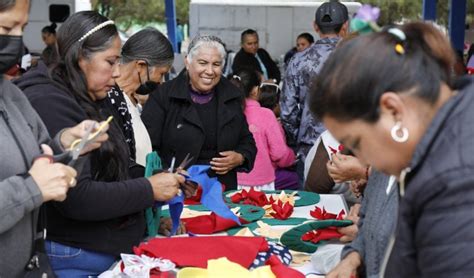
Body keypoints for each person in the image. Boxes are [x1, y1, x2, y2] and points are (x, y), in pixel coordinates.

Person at [16, 11, 187, 276]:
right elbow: (77, 198)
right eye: (111, 61)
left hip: (96, 246)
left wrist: (155, 180)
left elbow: (111, 167)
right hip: (74, 251)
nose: (118, 71)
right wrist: (147, 189)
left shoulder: (86, 95)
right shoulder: (50, 101)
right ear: (81, 57)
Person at [309, 22, 474, 276]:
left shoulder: (455, 179)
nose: (361, 158)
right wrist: (355, 257)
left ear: (394, 111)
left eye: (358, 143)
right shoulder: (434, 145)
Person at [0, 1, 107, 276]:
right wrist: (31, 188)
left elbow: (40, 155)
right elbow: (34, 182)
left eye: (21, 28)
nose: (15, 40)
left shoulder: (11, 95)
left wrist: (68, 145)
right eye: (5, 27)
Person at [142, 35, 257, 191]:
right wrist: (168, 175)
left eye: (216, 64)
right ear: (187, 62)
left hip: (221, 190)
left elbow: (247, 141)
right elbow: (148, 149)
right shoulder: (163, 96)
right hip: (176, 191)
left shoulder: (231, 96)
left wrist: (240, 157)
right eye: (202, 63)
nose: (209, 71)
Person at [281, 0, 348, 187]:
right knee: (351, 210)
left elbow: (287, 111)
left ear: (315, 26)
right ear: (345, 25)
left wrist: (298, 138)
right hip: (349, 149)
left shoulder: (298, 60)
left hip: (309, 149)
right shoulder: (358, 57)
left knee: (310, 208)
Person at [107, 27, 174, 167]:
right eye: (161, 74)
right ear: (140, 66)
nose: (161, 82)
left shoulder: (131, 101)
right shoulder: (112, 102)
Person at [231, 70, 295, 190]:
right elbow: (279, 153)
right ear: (255, 91)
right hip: (262, 182)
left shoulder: (228, 113)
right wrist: (292, 156)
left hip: (233, 180)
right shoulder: (266, 115)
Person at [326, 171, 398, 278]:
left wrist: (361, 170)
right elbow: (365, 222)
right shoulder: (379, 172)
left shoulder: (424, 183)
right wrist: (352, 258)